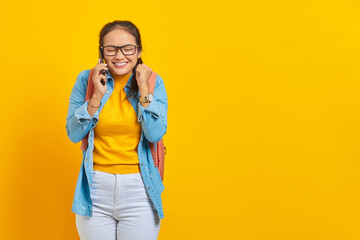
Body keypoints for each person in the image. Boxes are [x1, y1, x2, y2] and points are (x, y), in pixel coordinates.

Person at [65, 20, 168, 240]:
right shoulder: (87, 80)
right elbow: (74, 134)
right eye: (111, 49)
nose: (119, 56)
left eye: (127, 48)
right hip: (95, 191)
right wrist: (96, 97)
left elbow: (155, 133)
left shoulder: (153, 83)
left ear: (138, 50)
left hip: (140, 190)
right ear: (102, 51)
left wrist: (143, 90)